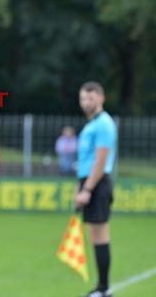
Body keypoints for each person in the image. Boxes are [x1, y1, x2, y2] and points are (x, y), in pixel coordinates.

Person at [74, 81, 117, 297]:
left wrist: (87, 189)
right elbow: (85, 161)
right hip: (89, 182)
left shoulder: (104, 124)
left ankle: (103, 288)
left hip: (97, 184)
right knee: (95, 236)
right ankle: (102, 287)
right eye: (83, 98)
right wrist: (79, 187)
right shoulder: (91, 124)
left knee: (100, 235)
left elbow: (100, 161)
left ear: (101, 98)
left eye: (90, 97)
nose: (86, 102)